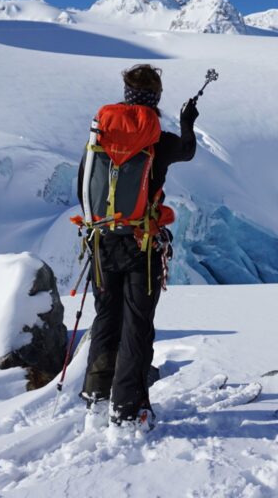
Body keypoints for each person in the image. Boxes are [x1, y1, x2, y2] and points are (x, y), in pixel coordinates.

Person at [77, 64, 198, 430]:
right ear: (156, 97)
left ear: (127, 94)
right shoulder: (157, 140)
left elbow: (83, 183)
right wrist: (188, 120)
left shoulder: (100, 134)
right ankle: (128, 408)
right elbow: (188, 150)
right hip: (141, 244)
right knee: (137, 324)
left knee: (106, 318)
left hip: (101, 241)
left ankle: (97, 396)